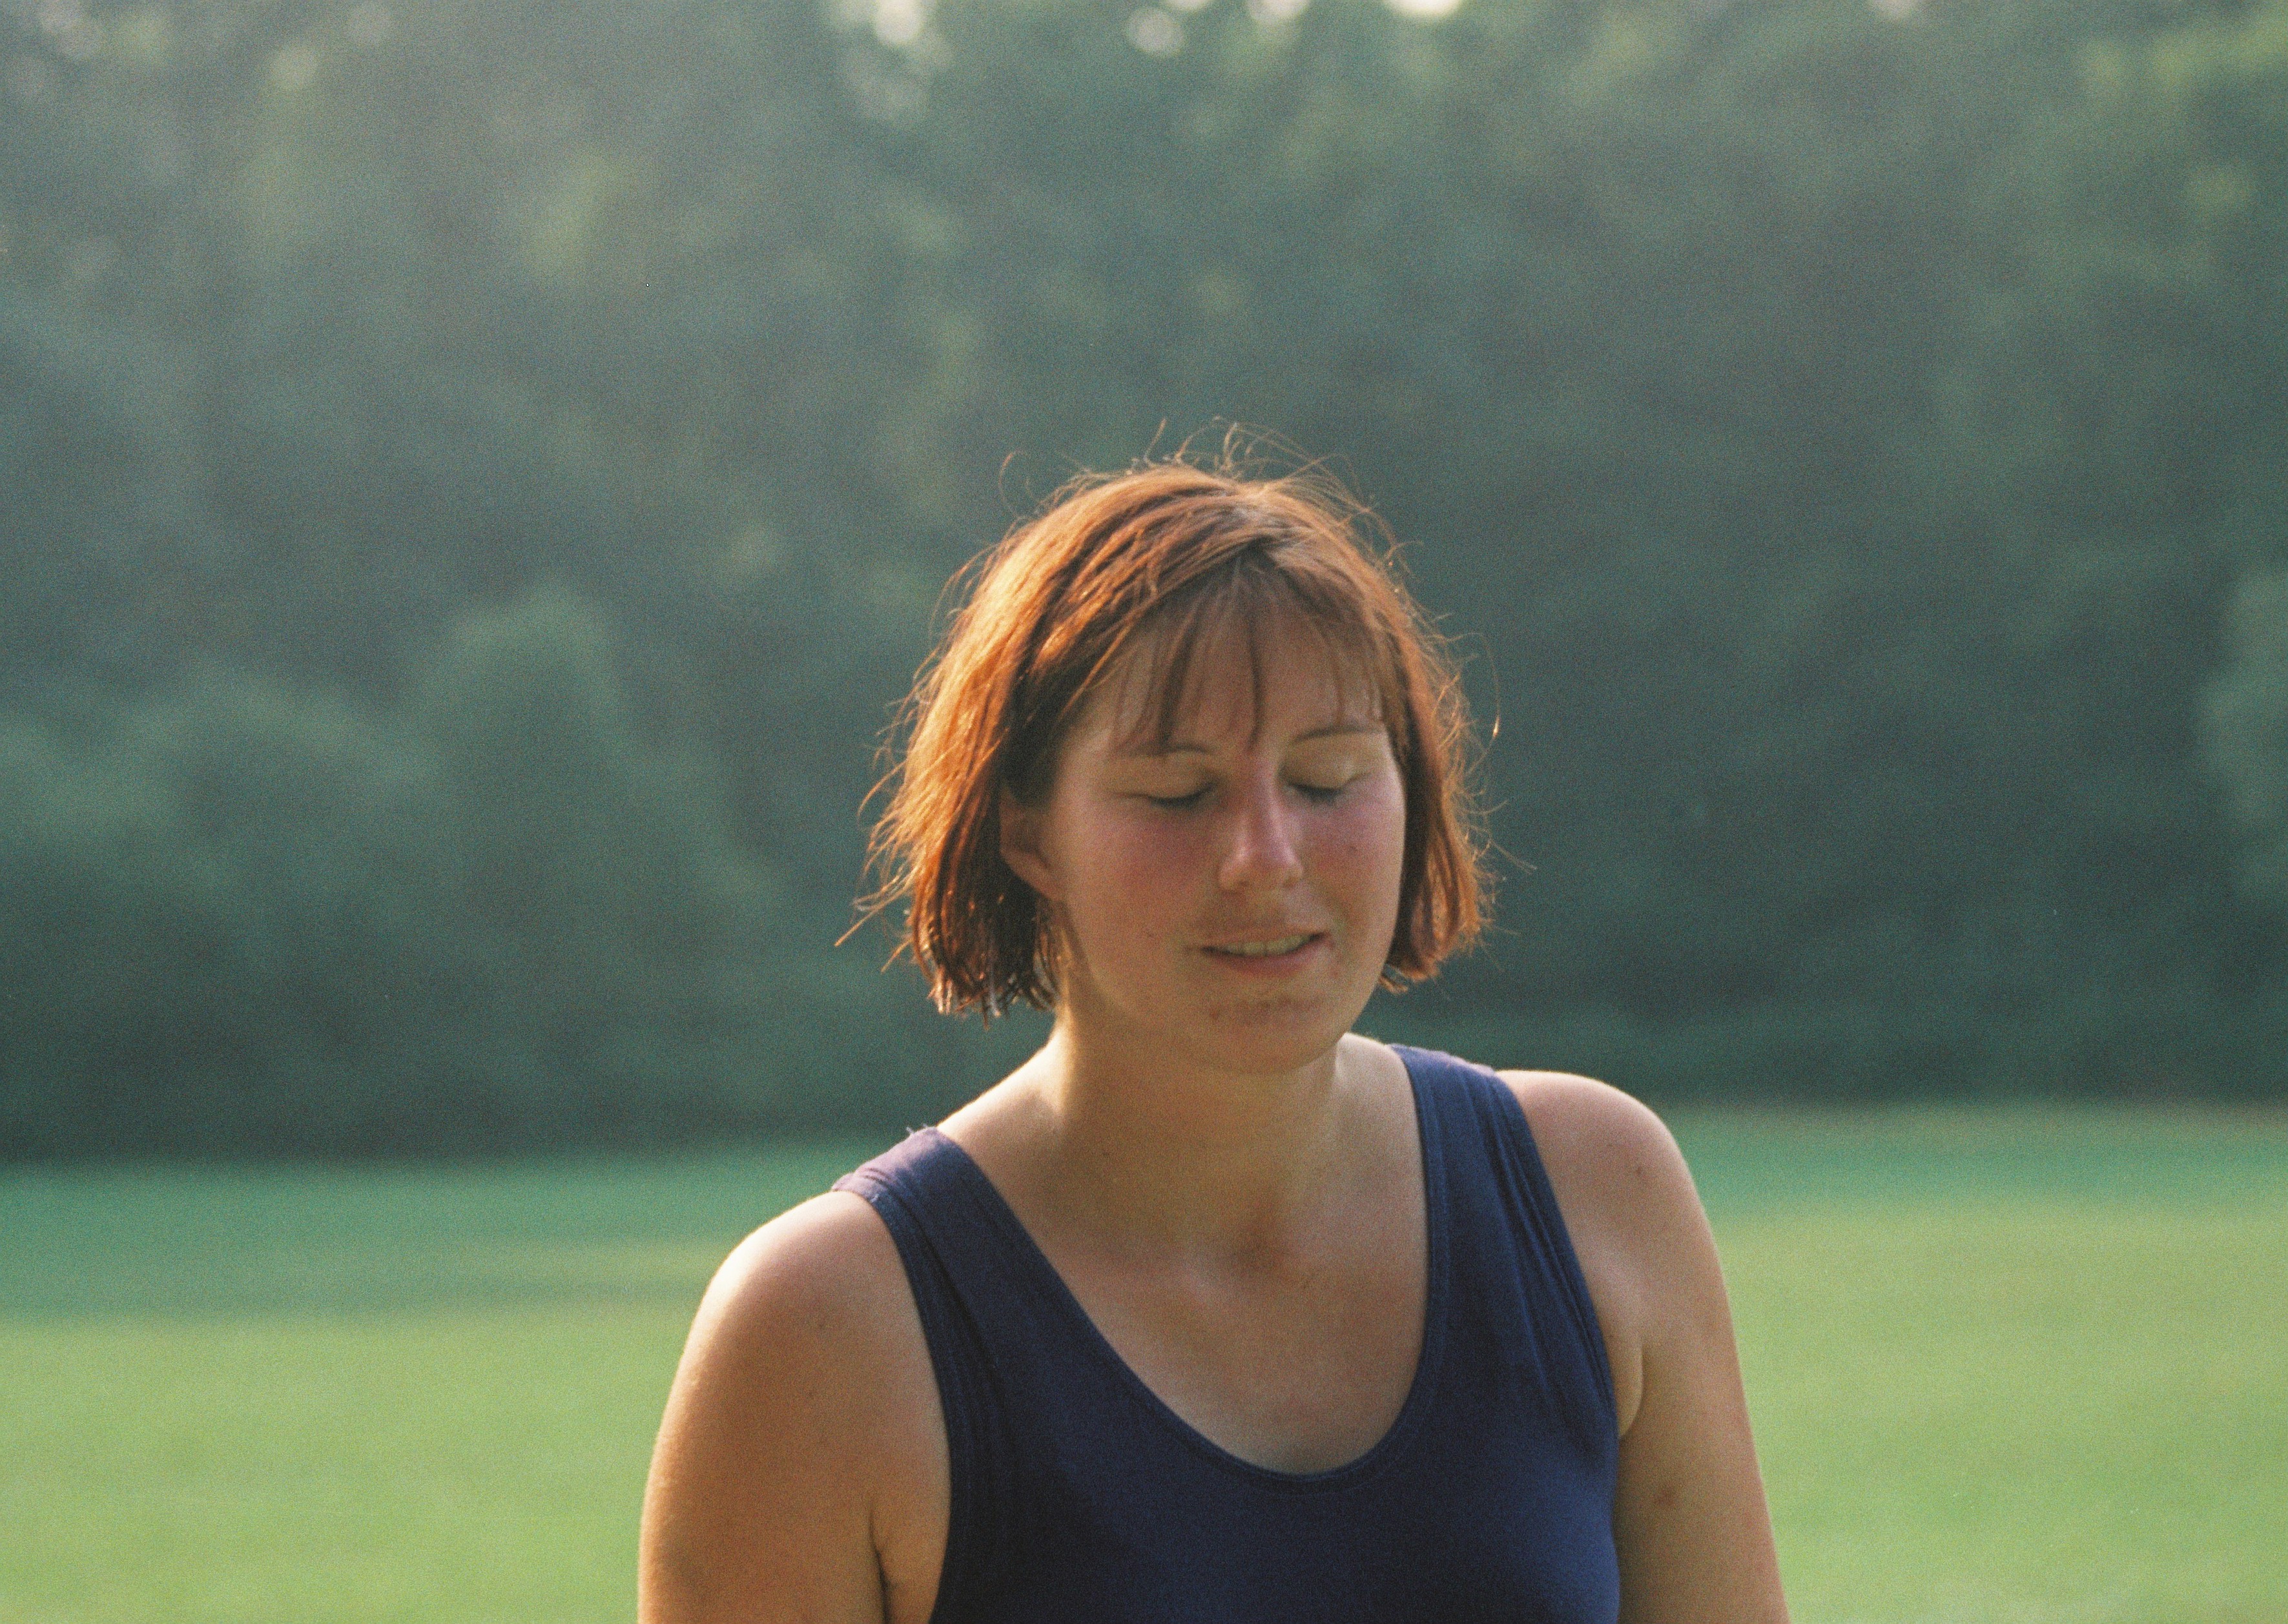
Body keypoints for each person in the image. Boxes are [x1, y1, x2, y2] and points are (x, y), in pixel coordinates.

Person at [639, 458, 1790, 1623]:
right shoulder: (821, 1332)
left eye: (1328, 779)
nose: (1266, 858)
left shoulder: (1597, 1193)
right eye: (1177, 795)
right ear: (1026, 831)